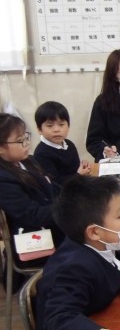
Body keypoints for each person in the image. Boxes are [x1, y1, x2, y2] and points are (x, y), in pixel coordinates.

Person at [34, 174, 120, 330]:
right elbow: (58, 319)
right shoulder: (74, 267)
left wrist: (118, 281)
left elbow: (102, 272)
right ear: (94, 232)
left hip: (97, 318)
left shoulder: (103, 244)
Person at [0, 113, 63, 285]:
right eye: (20, 141)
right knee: (91, 241)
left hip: (52, 224)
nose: (27, 144)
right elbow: (32, 215)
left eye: (26, 137)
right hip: (35, 239)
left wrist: (75, 194)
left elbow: (52, 188)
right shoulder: (3, 180)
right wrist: (68, 210)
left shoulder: (28, 161)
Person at [33, 101, 91, 185]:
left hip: (78, 185)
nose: (57, 130)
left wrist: (83, 167)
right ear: (39, 129)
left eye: (61, 124)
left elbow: (75, 169)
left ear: (68, 126)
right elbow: (55, 183)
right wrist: (79, 175)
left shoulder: (69, 144)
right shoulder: (41, 154)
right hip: (64, 191)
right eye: (49, 126)